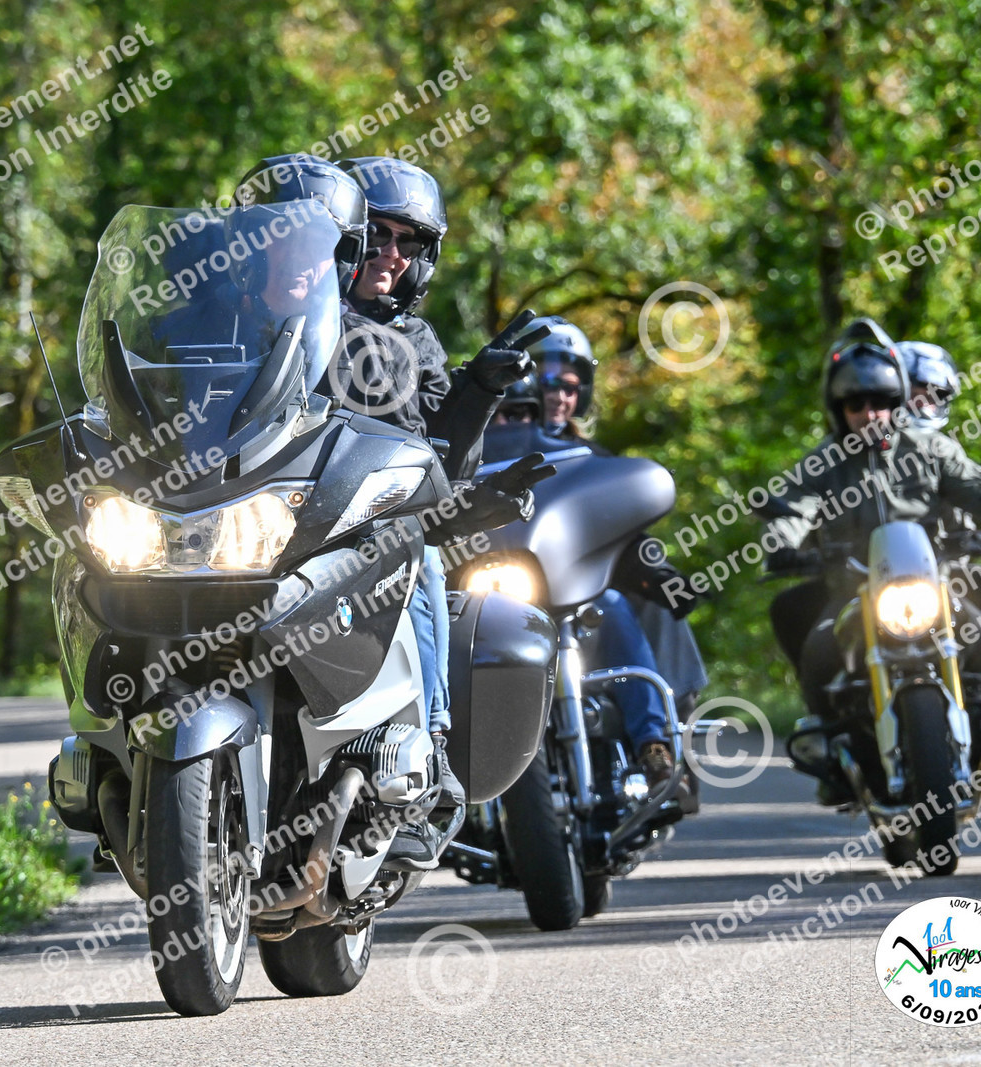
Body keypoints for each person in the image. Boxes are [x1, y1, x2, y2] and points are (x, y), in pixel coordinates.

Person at [239, 154, 540, 865]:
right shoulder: (268, 316)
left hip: (365, 522)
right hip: (263, 514)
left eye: (410, 242)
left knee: (418, 554)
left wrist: (479, 390)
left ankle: (431, 758)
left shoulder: (415, 341)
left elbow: (442, 466)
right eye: (378, 235)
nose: (392, 254)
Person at [763, 321, 981, 801]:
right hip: (854, 590)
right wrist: (781, 542)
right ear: (838, 409)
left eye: (881, 402)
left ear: (897, 402)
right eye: (856, 404)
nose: (869, 414)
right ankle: (834, 753)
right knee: (819, 650)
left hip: (934, 582)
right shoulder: (822, 463)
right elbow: (796, 509)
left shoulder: (931, 449)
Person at [507, 318, 698, 790]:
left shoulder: (591, 460)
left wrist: (657, 571)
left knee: (616, 604)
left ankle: (657, 743)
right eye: (548, 382)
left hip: (575, 598)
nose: (559, 396)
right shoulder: (484, 451)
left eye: (570, 387)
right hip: (502, 593)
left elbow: (625, 532)